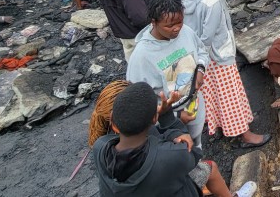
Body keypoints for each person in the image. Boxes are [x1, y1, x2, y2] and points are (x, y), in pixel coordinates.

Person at [91, 81, 256, 197]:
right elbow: (192, 154)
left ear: (114, 124)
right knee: (209, 167)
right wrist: (168, 117)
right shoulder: (170, 157)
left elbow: (155, 137)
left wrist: (169, 132)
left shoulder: (100, 146)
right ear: (154, 119)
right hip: (168, 182)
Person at [180, 0, 271, 148]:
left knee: (212, 92)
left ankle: (220, 124)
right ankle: (245, 135)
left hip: (199, 56)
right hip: (217, 54)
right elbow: (210, 33)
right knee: (230, 94)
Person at [126, 0, 208, 148]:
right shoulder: (141, 56)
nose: (176, 28)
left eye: (180, 22)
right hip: (167, 120)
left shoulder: (186, 32)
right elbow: (138, 102)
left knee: (196, 143)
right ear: (154, 23)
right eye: (169, 26)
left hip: (194, 103)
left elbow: (202, 51)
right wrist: (174, 116)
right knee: (179, 152)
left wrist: (200, 72)